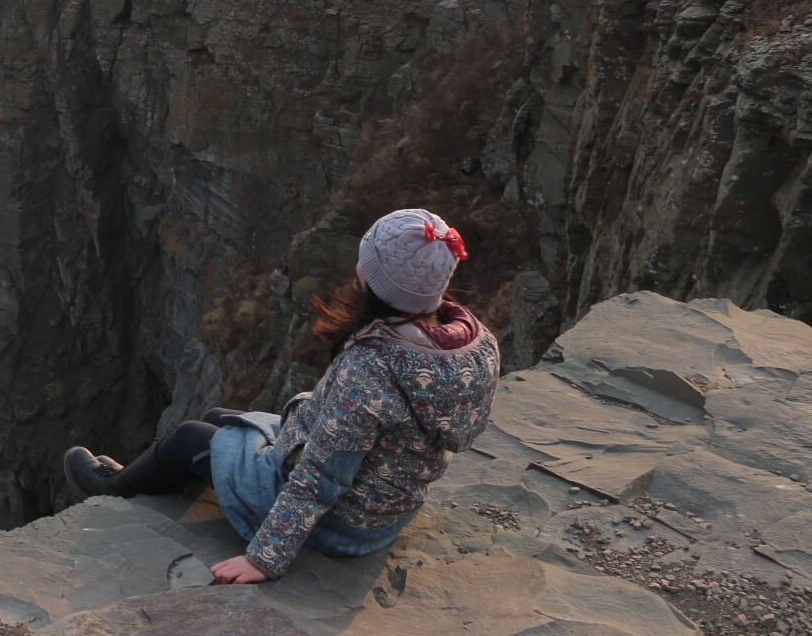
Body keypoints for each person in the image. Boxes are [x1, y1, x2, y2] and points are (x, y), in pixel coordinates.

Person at [61, 208, 500, 584]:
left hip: (339, 524)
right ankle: (171, 475)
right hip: (388, 509)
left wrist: (264, 559)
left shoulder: (371, 369)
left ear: (373, 280)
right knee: (221, 417)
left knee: (192, 437)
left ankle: (112, 487)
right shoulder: (476, 344)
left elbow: (322, 476)